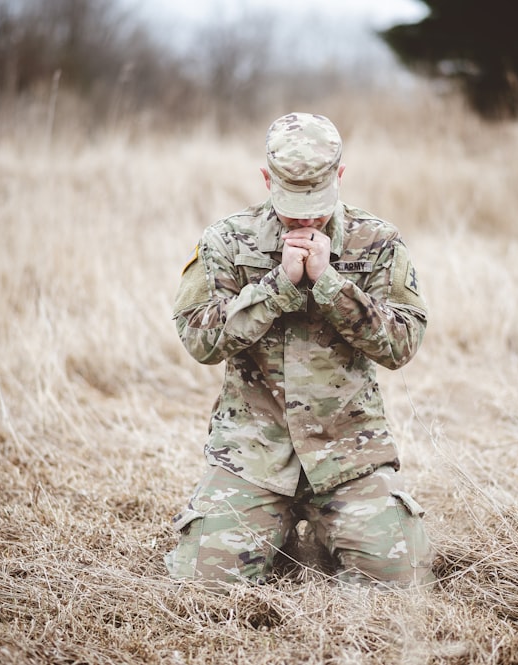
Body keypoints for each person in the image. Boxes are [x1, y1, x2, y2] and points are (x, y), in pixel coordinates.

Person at [165, 112, 433, 588]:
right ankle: (275, 530)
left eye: (317, 202)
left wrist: (331, 286)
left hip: (350, 454)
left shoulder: (378, 242)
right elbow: (199, 339)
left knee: (403, 582)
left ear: (341, 176)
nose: (306, 217)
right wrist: (276, 289)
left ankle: (320, 531)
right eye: (292, 203)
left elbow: (402, 344)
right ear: (267, 178)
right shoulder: (227, 241)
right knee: (201, 588)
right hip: (253, 455)